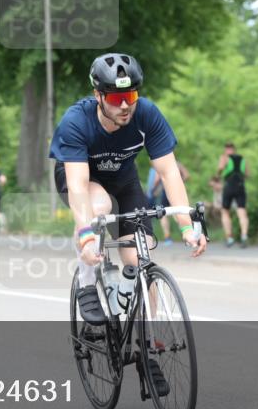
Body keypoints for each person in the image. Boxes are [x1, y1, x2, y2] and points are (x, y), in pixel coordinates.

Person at [50, 52, 207, 331]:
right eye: (114, 98)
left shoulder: (146, 114)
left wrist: (186, 225)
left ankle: (149, 342)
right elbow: (77, 185)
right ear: (97, 95)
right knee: (99, 206)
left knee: (140, 259)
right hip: (82, 180)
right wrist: (86, 237)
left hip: (124, 183)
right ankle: (88, 282)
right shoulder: (76, 121)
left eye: (130, 96)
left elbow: (169, 172)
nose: (124, 106)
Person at [149, 159, 190, 245]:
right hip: (177, 190)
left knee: (163, 214)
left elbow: (157, 179)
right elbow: (187, 175)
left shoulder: (161, 164)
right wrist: (179, 181)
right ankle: (187, 233)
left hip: (166, 191)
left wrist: (153, 189)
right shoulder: (178, 164)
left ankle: (167, 237)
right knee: (178, 212)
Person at [217, 142, 250, 247]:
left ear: (226, 149)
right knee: (242, 211)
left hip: (229, 186)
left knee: (225, 212)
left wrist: (218, 175)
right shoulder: (242, 159)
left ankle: (229, 238)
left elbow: (221, 168)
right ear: (234, 149)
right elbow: (247, 174)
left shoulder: (224, 157)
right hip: (240, 186)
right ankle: (244, 236)